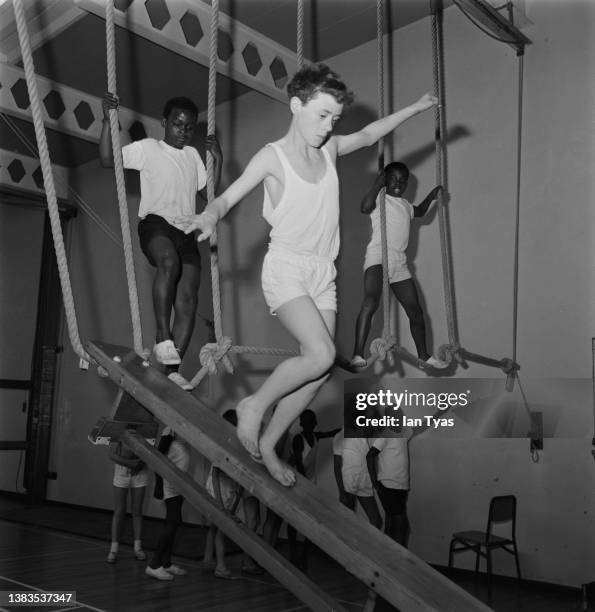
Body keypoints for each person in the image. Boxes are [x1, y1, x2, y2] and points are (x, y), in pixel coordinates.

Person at [174, 63, 437, 485]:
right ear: (296, 105)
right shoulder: (272, 157)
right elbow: (228, 197)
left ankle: (271, 446)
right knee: (319, 355)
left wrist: (416, 108)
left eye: (335, 119)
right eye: (322, 115)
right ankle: (254, 407)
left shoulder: (330, 151)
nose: (328, 126)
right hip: (287, 269)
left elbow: (369, 135)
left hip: (322, 275)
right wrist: (208, 214)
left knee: (318, 373)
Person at [99, 93, 223, 390]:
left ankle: (172, 370)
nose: (183, 131)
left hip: (186, 231)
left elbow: (209, 195)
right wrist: (107, 119)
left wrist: (217, 159)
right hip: (155, 225)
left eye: (189, 127)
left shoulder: (193, 156)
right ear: (165, 123)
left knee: (189, 299)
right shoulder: (149, 148)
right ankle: (162, 336)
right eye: (177, 124)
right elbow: (107, 158)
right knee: (168, 262)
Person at [351, 162, 448, 370]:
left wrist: (431, 196)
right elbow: (364, 207)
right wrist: (378, 184)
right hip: (378, 257)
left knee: (416, 311)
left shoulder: (404, 205)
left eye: (402, 180)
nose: (398, 183)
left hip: (399, 263)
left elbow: (419, 211)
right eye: (393, 179)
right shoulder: (379, 198)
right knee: (371, 301)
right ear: (385, 180)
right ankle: (357, 353)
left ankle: (424, 356)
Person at [202, 410, 263, 579]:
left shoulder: (234, 443)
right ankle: (220, 567)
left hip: (228, 490)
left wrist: (236, 493)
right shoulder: (223, 444)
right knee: (222, 527)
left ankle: (208, 560)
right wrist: (220, 503)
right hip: (218, 490)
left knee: (215, 527)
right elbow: (215, 473)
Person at [286, 409, 340, 570]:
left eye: (312, 420)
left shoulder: (315, 436)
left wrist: (346, 428)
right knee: (294, 520)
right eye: (308, 420)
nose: (311, 423)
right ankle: (293, 553)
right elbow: (298, 463)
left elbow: (330, 433)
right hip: (298, 483)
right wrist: (304, 484)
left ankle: (303, 554)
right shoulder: (298, 439)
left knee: (310, 520)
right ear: (303, 423)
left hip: (310, 483)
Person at [146, 431, 190, 580]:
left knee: (174, 522)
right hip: (169, 483)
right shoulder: (169, 430)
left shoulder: (183, 427)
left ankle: (166, 563)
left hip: (179, 483)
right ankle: (154, 564)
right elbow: (157, 458)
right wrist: (158, 484)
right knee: (173, 521)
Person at [366, 428, 411, 546]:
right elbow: (370, 455)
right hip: (389, 485)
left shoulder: (404, 433)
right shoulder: (385, 435)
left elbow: (423, 425)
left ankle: (388, 557)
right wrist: (375, 482)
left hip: (400, 486)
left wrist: (439, 413)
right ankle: (399, 560)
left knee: (392, 523)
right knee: (402, 526)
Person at [107, 441, 148, 563]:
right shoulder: (118, 427)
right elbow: (112, 454)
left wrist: (140, 464)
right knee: (119, 511)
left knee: (137, 511)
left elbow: (150, 451)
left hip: (140, 472)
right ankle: (113, 550)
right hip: (121, 472)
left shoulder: (145, 428)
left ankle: (138, 548)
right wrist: (131, 464)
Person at [339, 436, 382, 529]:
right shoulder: (341, 437)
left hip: (364, 479)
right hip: (350, 480)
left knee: (376, 521)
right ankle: (348, 543)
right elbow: (337, 465)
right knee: (348, 521)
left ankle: (370, 543)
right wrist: (341, 491)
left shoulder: (363, 437)